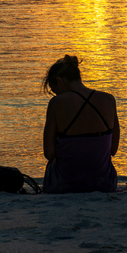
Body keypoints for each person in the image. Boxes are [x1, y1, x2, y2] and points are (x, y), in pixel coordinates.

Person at [41, 55, 120, 193]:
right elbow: (113, 150)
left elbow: (49, 153)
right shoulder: (109, 99)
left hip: (65, 184)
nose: (56, 96)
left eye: (54, 91)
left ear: (59, 81)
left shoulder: (56, 103)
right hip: (104, 183)